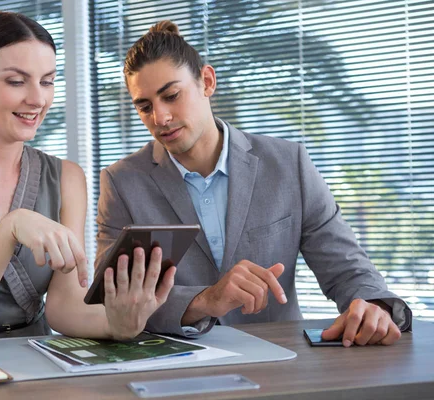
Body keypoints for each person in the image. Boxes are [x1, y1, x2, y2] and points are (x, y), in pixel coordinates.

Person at [95, 20, 412, 347]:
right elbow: (113, 297)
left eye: (171, 95)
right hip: (172, 366)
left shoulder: (289, 164)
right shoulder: (122, 183)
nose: (159, 118)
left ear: (206, 81)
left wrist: (371, 305)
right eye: (144, 106)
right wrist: (205, 300)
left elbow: (347, 267)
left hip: (279, 364)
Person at [0, 11, 175, 349]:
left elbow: (63, 307)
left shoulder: (67, 178)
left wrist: (117, 324)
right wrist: (11, 228)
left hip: (32, 362)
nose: (37, 99)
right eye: (16, 81)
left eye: (47, 81)